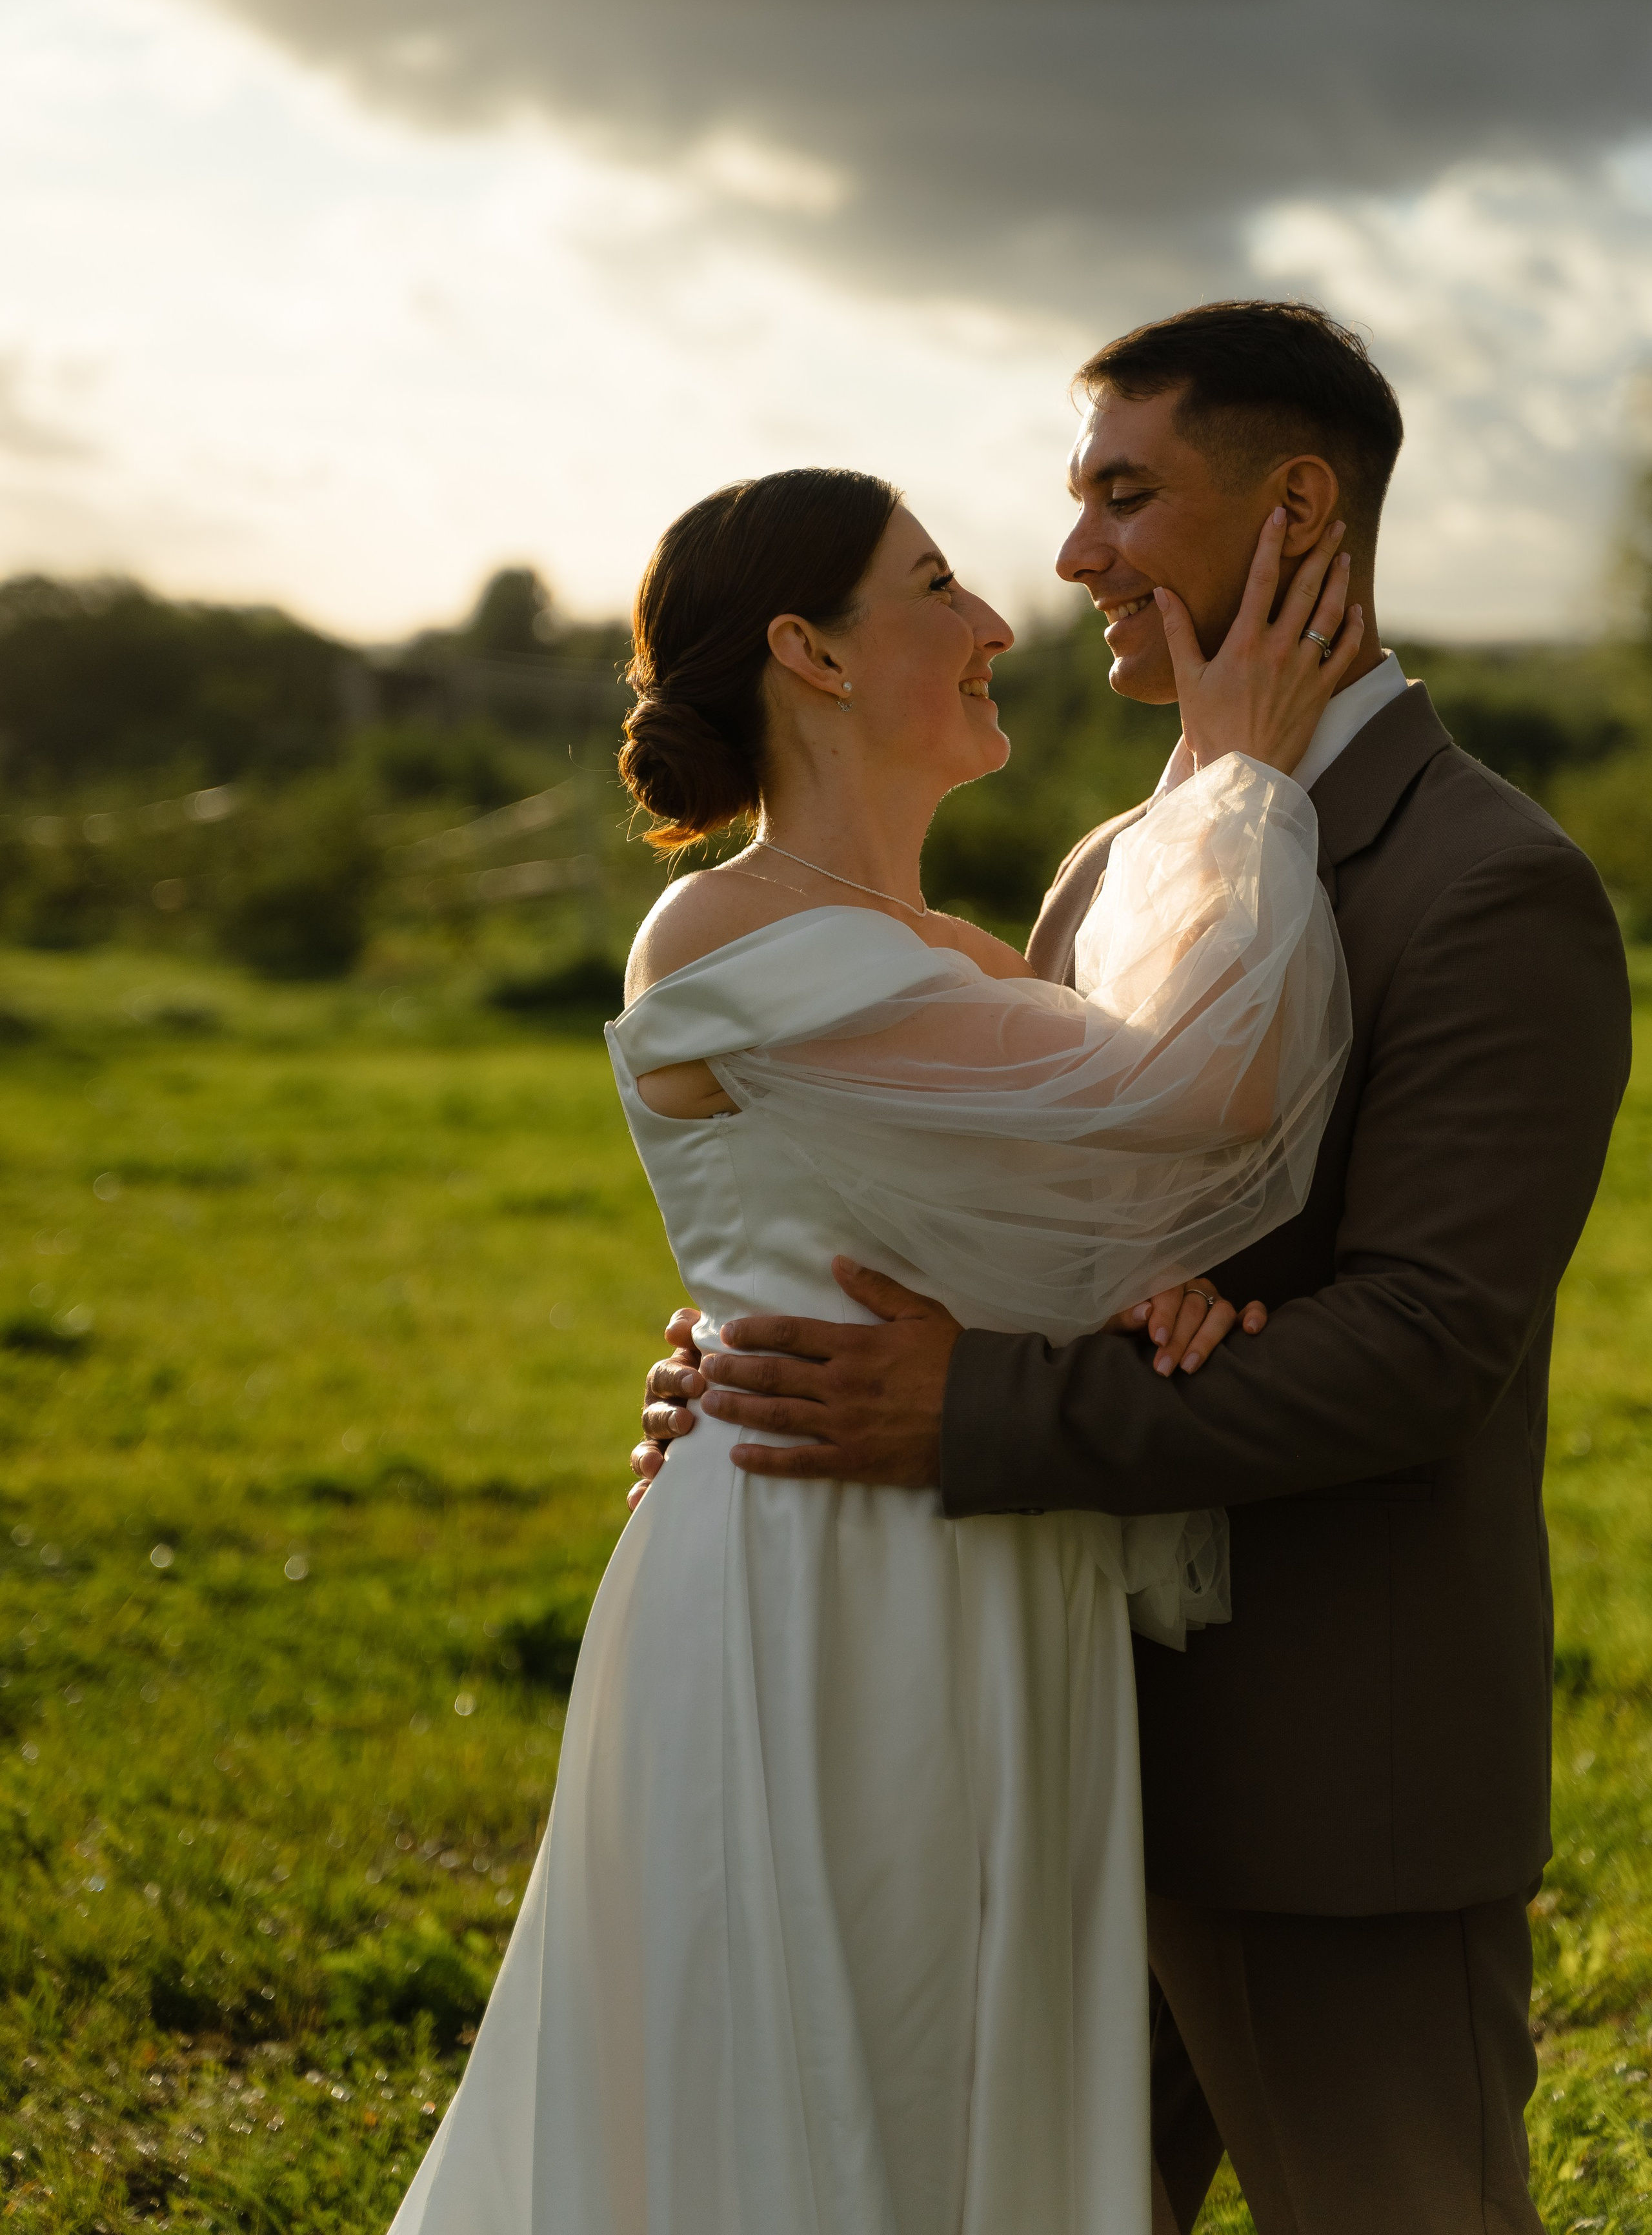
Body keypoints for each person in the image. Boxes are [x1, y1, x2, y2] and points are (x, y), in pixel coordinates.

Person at [632, 303, 1635, 2234]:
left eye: (1122, 494)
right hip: (1041, 1740)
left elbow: (1425, 1349)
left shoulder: (1485, 881)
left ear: (1299, 507)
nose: (1072, 555)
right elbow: (1003, 1215)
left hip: (1325, 1789)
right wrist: (764, 1346)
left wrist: (959, 1400)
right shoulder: (1101, 866)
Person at [388, 452, 1363, 2234]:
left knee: (958, 2082)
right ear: (810, 653)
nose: (1000, 621)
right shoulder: (725, 929)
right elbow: (1205, 1086)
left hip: (1004, 1564)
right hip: (828, 1572)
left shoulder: (979, 965)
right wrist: (1240, 777)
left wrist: (1179, 1286)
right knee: (828, 2075)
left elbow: (1136, 1192)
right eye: (937, 588)